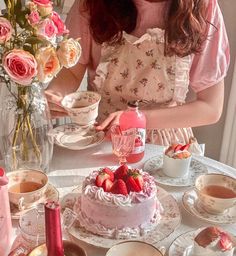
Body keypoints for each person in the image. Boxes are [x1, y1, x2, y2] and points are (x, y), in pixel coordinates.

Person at [46, 0, 229, 147]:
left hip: (166, 149)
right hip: (104, 140)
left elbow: (211, 107)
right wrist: (57, 93)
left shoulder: (202, 7)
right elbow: (71, 70)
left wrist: (137, 119)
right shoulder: (93, 5)